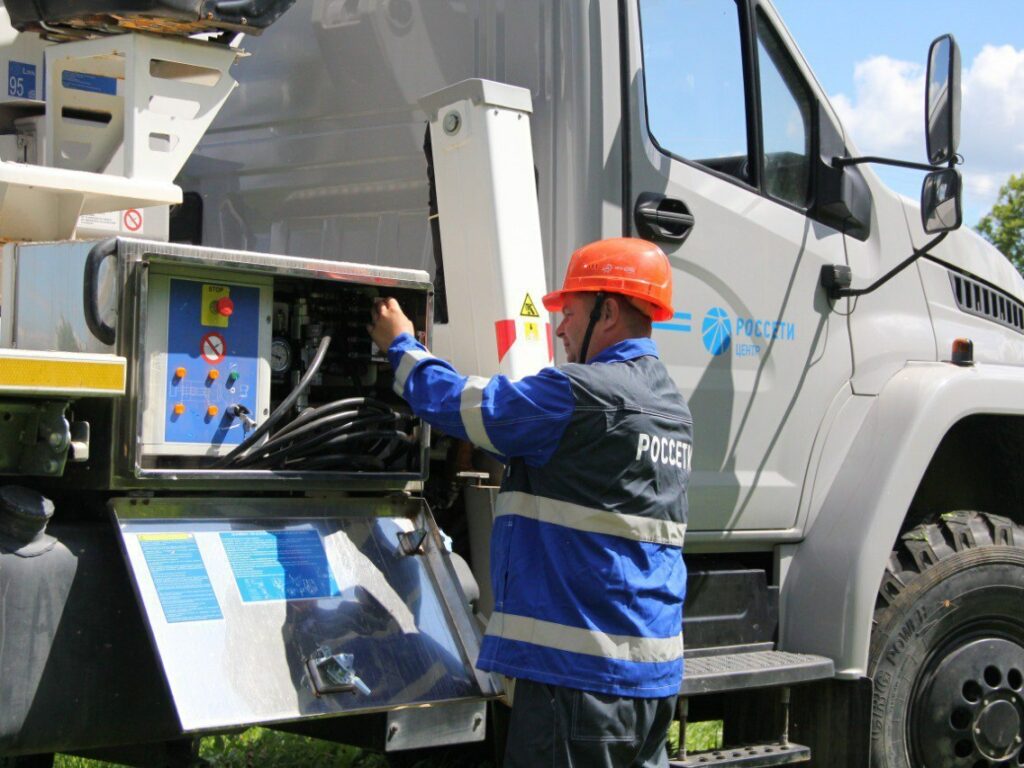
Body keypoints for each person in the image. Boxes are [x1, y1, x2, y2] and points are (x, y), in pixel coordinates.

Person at [368, 237, 692, 767]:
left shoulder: (583, 395)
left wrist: (403, 348)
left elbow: (473, 408)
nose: (559, 328)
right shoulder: (670, 407)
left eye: (570, 311)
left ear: (608, 311)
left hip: (578, 685)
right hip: (650, 684)